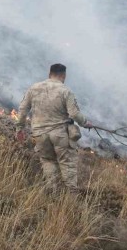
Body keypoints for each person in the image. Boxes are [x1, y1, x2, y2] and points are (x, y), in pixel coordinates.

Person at [16, 63, 92, 192]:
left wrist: (19, 128)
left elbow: (23, 109)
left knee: (48, 161)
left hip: (40, 134)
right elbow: (74, 113)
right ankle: (71, 196)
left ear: (49, 74)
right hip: (60, 134)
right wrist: (85, 123)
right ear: (64, 75)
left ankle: (53, 192)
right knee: (67, 163)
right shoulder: (65, 91)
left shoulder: (33, 88)